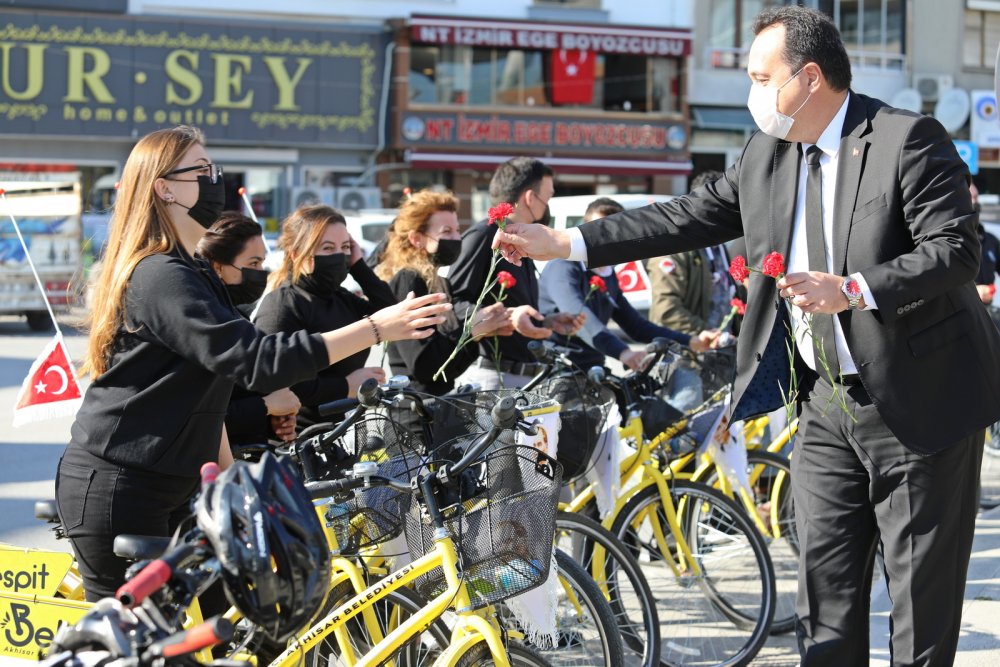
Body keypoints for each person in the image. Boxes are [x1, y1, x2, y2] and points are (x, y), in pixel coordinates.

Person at [490, 7, 1000, 666]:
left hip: (920, 399)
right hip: (824, 403)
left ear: (809, 78)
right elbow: (683, 216)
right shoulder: (767, 154)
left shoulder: (905, 138)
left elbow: (955, 250)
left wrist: (853, 288)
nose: (753, 93)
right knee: (825, 598)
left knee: (920, 610)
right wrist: (567, 242)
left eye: (763, 78)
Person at [56, 125, 450, 601]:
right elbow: (256, 360)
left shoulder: (190, 270)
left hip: (176, 485)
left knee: (226, 620)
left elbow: (211, 389)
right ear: (164, 188)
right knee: (139, 635)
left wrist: (231, 482)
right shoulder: (160, 274)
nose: (215, 180)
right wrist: (375, 328)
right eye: (201, 170)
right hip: (122, 485)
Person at [254, 204, 397, 428]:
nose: (339, 256)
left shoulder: (341, 297)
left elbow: (390, 314)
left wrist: (358, 265)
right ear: (298, 254)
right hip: (301, 436)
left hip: (348, 431)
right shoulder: (282, 305)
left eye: (345, 247)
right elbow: (278, 381)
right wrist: (346, 386)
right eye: (328, 248)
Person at [448, 157, 585, 388]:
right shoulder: (483, 236)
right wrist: (505, 316)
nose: (548, 206)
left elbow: (517, 309)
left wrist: (546, 320)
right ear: (530, 198)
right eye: (548, 198)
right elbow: (454, 305)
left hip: (526, 376)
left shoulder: (522, 239)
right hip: (494, 376)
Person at [539, 197, 716, 372]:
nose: (602, 239)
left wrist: (690, 341)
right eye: (596, 231)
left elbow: (635, 325)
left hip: (592, 367)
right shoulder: (563, 266)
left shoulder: (607, 273)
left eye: (611, 233)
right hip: (556, 366)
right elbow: (579, 316)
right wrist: (624, 352)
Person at [375, 189, 513, 394]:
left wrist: (479, 331)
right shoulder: (408, 280)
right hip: (413, 405)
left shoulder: (441, 283)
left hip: (440, 402)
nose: (457, 238)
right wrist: (471, 330)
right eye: (446, 231)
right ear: (416, 238)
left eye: (457, 230)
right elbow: (423, 365)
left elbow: (450, 366)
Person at [195, 212, 299, 445]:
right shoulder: (204, 324)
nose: (261, 271)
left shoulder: (237, 316)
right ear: (218, 267)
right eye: (253, 263)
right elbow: (199, 416)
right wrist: (267, 406)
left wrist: (275, 422)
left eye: (262, 262)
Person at [647, 171, 737, 335]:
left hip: (723, 345)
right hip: (687, 347)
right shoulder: (674, 248)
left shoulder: (719, 245)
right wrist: (707, 333)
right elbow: (666, 311)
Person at [971, 183, 1000, 305]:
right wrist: (974, 291)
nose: (975, 202)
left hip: (987, 308)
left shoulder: (991, 240)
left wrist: (990, 289)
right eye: (971, 197)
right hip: (962, 309)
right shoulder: (950, 241)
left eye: (976, 198)